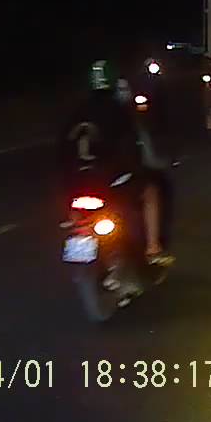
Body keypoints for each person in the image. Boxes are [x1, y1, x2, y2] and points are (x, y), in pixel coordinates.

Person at [62, 59, 174, 266]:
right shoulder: (119, 110)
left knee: (76, 208)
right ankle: (153, 248)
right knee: (150, 192)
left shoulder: (77, 111)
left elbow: (62, 151)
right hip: (109, 181)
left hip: (77, 185)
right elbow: (133, 146)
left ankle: (77, 229)